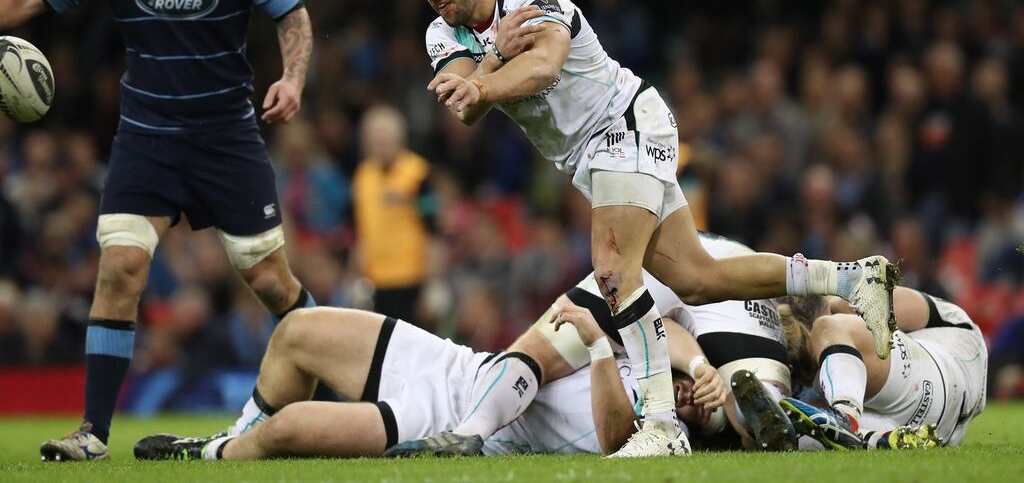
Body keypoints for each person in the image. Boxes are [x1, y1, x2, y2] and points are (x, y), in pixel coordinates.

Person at [403, 0, 896, 456]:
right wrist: (494, 58)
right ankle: (850, 280)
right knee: (698, 279)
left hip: (623, 125)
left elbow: (543, 67)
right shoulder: (440, 34)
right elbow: (467, 109)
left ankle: (660, 426)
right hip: (590, 155)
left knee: (614, 274)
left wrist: (483, 72)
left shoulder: (537, 4)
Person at [0, 0, 315, 460]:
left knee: (272, 283)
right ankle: (93, 433)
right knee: (120, 267)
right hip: (147, 140)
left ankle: (338, 385)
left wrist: (291, 79)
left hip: (226, 140)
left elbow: (292, 15)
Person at [391, 231, 799, 456]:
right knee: (751, 406)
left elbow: (665, 329)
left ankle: (470, 432)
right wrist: (702, 371)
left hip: (659, 257)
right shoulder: (769, 327)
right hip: (725, 287)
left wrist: (697, 368)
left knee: (536, 354)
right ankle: (778, 412)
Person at [132, 305, 725, 460]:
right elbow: (666, 326)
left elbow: (613, 431)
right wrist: (702, 370)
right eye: (697, 397)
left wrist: (599, 345)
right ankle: (232, 435)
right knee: (295, 333)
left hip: (437, 427)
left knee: (288, 432)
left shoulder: (647, 432)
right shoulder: (659, 366)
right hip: (456, 367)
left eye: (703, 413)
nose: (691, 403)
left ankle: (218, 451)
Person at [777, 286, 987, 450]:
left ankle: (844, 419)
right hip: (927, 422)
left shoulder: (839, 310)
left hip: (937, 383)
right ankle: (863, 437)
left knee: (830, 325)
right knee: (794, 426)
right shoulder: (845, 302)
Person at [353, 105, 434, 324]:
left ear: (399, 138)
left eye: (385, 138)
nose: (380, 145)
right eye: (374, 139)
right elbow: (361, 229)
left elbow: (434, 227)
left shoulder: (419, 172)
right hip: (376, 279)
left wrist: (433, 282)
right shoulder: (363, 176)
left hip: (412, 278)